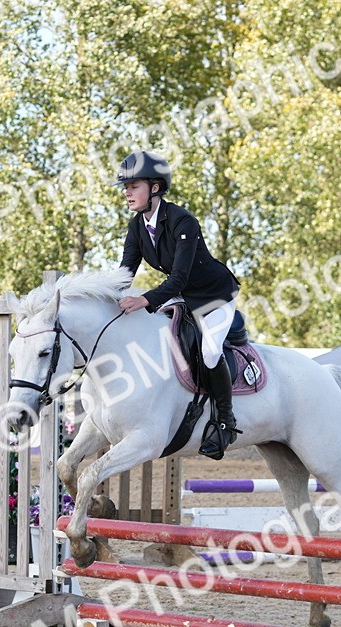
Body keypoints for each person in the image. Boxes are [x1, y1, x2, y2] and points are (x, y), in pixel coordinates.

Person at [113, 150, 242, 460]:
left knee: (210, 351)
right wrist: (104, 297)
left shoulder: (183, 220)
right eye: (125, 188)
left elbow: (180, 278)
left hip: (214, 295)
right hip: (183, 294)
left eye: (134, 186)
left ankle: (225, 420)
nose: (127, 193)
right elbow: (124, 274)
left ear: (155, 187)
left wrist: (144, 300)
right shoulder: (137, 226)